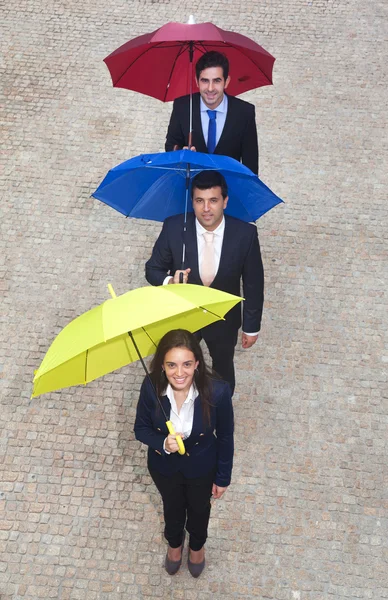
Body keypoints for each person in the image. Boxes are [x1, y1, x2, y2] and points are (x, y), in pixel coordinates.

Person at [145, 170, 264, 394]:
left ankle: (221, 410)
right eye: (200, 201)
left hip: (224, 318)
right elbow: (152, 269)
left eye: (213, 201)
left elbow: (253, 283)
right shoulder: (174, 227)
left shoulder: (245, 234)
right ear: (192, 202)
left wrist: (251, 327)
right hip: (184, 315)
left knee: (223, 369)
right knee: (177, 366)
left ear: (225, 202)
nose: (206, 209)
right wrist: (170, 280)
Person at [134, 329, 234, 577]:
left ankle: (197, 546)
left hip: (202, 466)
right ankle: (174, 543)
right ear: (162, 366)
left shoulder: (218, 392)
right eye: (172, 365)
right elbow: (140, 429)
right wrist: (162, 443)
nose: (179, 373)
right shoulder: (151, 387)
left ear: (197, 364)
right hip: (164, 467)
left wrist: (223, 477)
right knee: (172, 507)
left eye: (187, 364)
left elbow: (225, 436)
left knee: (200, 509)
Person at [165, 51, 259, 175]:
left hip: (228, 189)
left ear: (226, 81)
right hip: (192, 187)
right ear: (197, 81)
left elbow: (250, 166)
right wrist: (181, 153)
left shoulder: (245, 112)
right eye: (205, 81)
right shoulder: (182, 107)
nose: (210, 88)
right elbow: (171, 147)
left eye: (216, 81)